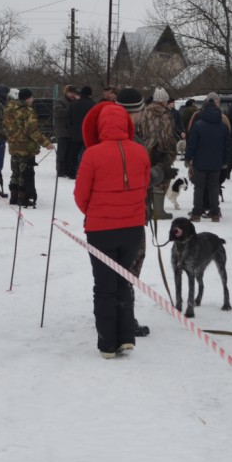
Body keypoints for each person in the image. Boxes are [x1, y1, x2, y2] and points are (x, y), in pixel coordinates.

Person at [73, 97, 151, 359]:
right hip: (132, 228)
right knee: (122, 280)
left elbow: (80, 195)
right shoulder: (140, 151)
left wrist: (95, 213)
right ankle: (126, 337)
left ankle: (108, 344)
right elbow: (144, 186)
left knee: (104, 286)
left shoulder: (92, 154)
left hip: (101, 230)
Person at [185, 93, 231, 222]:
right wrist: (225, 161)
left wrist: (188, 158)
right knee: (214, 187)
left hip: (200, 162)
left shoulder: (198, 125)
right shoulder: (223, 127)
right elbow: (227, 146)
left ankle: (196, 213)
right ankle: (215, 213)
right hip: (216, 163)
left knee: (199, 187)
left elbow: (192, 144)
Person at [4, 88, 52, 207]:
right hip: (26, 147)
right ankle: (23, 198)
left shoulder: (9, 109)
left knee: (15, 172)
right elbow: (33, 130)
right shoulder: (27, 111)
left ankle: (14, 197)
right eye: (31, 97)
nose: (33, 99)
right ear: (27, 98)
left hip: (13, 146)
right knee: (24, 174)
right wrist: (46, 143)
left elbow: (5, 126)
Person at [137, 87, 178, 220]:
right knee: (163, 177)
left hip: (146, 148)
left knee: (148, 176)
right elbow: (167, 135)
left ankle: (147, 207)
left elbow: (140, 130)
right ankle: (159, 210)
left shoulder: (144, 112)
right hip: (162, 149)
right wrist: (171, 151)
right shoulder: (166, 115)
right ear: (163, 100)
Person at [69, 86, 96, 173]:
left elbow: (70, 119)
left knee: (74, 153)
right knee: (88, 154)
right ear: (90, 94)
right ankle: (88, 171)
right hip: (88, 134)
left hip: (75, 133)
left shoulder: (73, 104)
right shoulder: (93, 105)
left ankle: (72, 171)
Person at [53, 85, 77, 178]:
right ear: (66, 92)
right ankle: (60, 170)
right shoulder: (60, 101)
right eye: (71, 93)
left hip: (71, 132)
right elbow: (58, 113)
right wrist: (71, 110)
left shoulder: (74, 101)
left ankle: (68, 169)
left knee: (70, 152)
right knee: (62, 153)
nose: (72, 95)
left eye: (74, 93)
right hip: (62, 131)